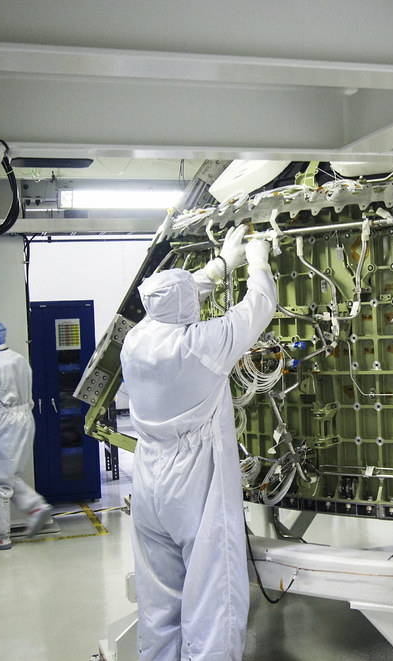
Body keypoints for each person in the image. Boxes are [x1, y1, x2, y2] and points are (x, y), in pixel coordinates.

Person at [122, 226, 276, 661]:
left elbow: (174, 303)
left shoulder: (135, 342)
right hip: (194, 485)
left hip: (149, 480)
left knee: (159, 599)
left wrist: (222, 265)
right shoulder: (201, 346)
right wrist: (259, 261)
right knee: (213, 595)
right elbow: (259, 307)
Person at [0, 321, 53, 550]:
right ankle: (35, 507)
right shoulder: (19, 359)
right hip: (26, 418)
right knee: (9, 473)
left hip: (4, 423)